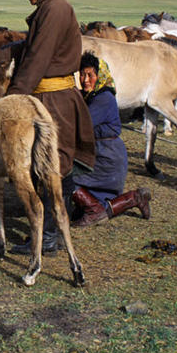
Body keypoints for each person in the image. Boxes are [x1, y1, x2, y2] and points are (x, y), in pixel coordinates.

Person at [0, 0, 96, 254]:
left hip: (54, 100)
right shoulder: (49, 8)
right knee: (47, 166)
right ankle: (51, 232)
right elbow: (23, 48)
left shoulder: (56, 9)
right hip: (48, 98)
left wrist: (11, 105)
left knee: (54, 166)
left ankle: (51, 235)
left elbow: (36, 61)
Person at [71, 52, 151, 226]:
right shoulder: (91, 95)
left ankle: (94, 211)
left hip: (106, 157)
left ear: (99, 76)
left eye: (90, 75)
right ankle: (135, 198)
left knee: (66, 178)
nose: (85, 80)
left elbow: (82, 125)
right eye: (82, 74)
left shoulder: (103, 98)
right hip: (101, 152)